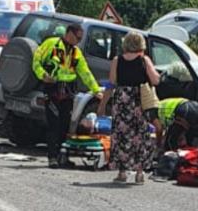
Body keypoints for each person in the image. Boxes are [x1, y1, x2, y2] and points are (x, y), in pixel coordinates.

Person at [32, 24, 103, 168]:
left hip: (68, 91)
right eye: (77, 37)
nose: (79, 40)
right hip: (52, 89)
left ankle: (62, 156)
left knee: (65, 124)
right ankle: (52, 157)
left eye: (80, 38)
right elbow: (36, 62)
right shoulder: (51, 44)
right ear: (69, 33)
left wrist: (96, 90)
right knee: (54, 123)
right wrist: (43, 75)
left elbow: (85, 72)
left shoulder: (76, 52)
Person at [109, 31, 161, 185]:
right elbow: (155, 80)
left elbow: (113, 80)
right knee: (140, 136)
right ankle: (139, 173)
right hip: (139, 100)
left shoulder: (117, 60)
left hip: (122, 100)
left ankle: (122, 172)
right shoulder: (144, 60)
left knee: (122, 136)